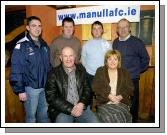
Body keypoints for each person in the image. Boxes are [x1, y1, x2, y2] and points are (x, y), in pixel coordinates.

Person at [9, 16, 51, 123]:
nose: (37, 28)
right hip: (30, 89)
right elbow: (16, 69)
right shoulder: (21, 45)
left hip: (44, 88)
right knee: (31, 117)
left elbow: (48, 67)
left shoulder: (44, 45)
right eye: (34, 26)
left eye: (39, 26)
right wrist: (20, 90)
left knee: (44, 116)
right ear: (28, 27)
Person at [45, 46, 99, 123]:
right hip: (62, 110)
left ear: (74, 57)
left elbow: (87, 89)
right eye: (65, 56)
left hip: (81, 108)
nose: (68, 59)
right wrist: (71, 109)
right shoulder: (53, 73)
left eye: (71, 56)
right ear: (61, 57)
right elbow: (51, 97)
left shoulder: (81, 69)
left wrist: (81, 103)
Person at [112, 18, 150, 122]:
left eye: (125, 27)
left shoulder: (137, 42)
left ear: (129, 28)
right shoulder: (115, 42)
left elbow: (146, 59)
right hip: (118, 80)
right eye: (120, 27)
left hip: (132, 79)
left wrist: (136, 71)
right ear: (117, 30)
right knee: (119, 105)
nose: (122, 29)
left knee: (132, 106)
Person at [92, 50, 134, 123]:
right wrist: (108, 95)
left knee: (118, 116)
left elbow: (130, 88)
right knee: (110, 117)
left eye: (115, 59)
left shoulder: (124, 72)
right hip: (104, 102)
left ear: (119, 61)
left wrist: (120, 97)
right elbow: (95, 86)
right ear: (106, 61)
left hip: (121, 102)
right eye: (110, 59)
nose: (112, 62)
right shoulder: (100, 71)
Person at [81, 21, 112, 106]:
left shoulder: (108, 45)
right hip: (89, 76)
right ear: (91, 31)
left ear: (102, 30)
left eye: (99, 28)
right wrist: (87, 70)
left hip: (103, 76)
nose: (97, 31)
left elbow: (110, 60)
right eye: (94, 29)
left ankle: (101, 116)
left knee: (102, 99)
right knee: (88, 98)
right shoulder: (86, 45)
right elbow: (83, 59)